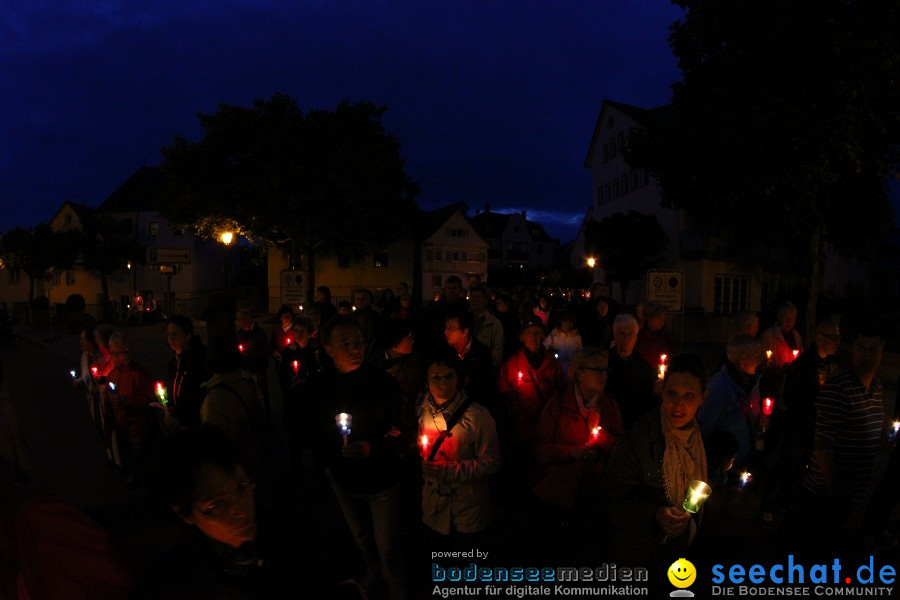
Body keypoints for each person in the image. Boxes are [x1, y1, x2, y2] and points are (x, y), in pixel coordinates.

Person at [310, 317, 411, 599]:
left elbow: (404, 427)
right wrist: (329, 468)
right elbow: (314, 431)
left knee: (388, 544)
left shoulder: (382, 382)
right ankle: (373, 569)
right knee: (362, 537)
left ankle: (396, 586)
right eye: (346, 344)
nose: (355, 349)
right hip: (343, 481)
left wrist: (373, 448)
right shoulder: (320, 386)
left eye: (358, 342)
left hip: (382, 481)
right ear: (329, 349)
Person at [144, 427, 309, 598]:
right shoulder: (178, 581)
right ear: (185, 513)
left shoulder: (301, 535)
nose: (241, 508)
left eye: (241, 487)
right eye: (218, 504)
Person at [599, 354, 708, 567]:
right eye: (672, 394)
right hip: (639, 557)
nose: (678, 405)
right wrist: (654, 515)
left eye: (689, 396)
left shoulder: (696, 437)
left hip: (678, 555)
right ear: (662, 391)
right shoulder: (640, 438)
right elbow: (608, 500)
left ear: (703, 397)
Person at [792, 324, 885, 554]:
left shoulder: (877, 386)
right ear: (852, 349)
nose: (866, 356)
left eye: (873, 350)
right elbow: (822, 446)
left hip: (851, 492)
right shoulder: (839, 387)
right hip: (826, 494)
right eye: (861, 348)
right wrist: (836, 490)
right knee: (813, 553)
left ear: (882, 351)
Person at [760, 319, 841, 524]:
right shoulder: (803, 364)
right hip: (798, 427)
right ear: (819, 336)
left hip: (817, 428)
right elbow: (791, 397)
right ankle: (767, 504)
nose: (837, 341)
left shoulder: (832, 364)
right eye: (832, 336)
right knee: (787, 465)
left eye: (838, 336)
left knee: (802, 469)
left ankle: (786, 503)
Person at [418, 350, 500, 540]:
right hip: (434, 506)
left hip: (467, 508)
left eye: (450, 376)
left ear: (459, 379)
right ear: (427, 380)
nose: (443, 384)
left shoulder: (477, 416)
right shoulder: (422, 409)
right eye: (436, 377)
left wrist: (446, 471)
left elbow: (491, 462)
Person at [531, 348, 623, 513]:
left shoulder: (609, 407)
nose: (604, 375)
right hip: (556, 491)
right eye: (597, 370)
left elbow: (621, 450)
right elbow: (540, 449)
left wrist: (600, 435)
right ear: (579, 374)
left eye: (605, 370)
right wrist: (571, 452)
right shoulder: (559, 404)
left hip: (590, 494)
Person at [696, 333, 766, 471]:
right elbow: (704, 428)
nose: (759, 362)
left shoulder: (754, 383)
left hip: (744, 460)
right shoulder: (719, 386)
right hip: (725, 465)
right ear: (743, 359)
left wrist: (759, 422)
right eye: (756, 357)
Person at [201, 335, 265, 480]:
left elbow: (213, 442)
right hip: (253, 457)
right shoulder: (246, 384)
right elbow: (260, 418)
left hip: (234, 467)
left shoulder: (214, 399)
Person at [106, 332, 158, 488]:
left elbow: (152, 401)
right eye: (112, 354)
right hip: (122, 426)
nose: (115, 358)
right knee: (128, 455)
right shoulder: (113, 375)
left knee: (141, 459)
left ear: (128, 352)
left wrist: (129, 401)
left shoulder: (139, 374)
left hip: (138, 428)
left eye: (118, 353)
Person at [606, 314, 657, 431]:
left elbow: (647, 399)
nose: (626, 339)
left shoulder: (644, 367)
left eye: (630, 334)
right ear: (615, 336)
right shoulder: (605, 363)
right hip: (610, 422)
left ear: (636, 337)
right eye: (622, 334)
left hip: (636, 423)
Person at [165, 316, 209, 430]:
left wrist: (180, 410)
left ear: (187, 336)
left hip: (194, 423)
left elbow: (198, 394)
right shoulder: (174, 361)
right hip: (178, 421)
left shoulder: (198, 360)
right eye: (168, 334)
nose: (170, 339)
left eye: (175, 334)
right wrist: (169, 406)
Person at [235, 309, 270, 416]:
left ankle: (264, 415)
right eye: (239, 321)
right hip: (245, 368)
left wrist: (250, 355)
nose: (240, 323)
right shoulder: (240, 333)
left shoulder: (259, 333)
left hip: (257, 368)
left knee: (260, 393)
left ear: (247, 320)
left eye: (241, 320)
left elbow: (264, 351)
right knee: (247, 392)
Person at [468, 286, 505, 368]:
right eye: (473, 297)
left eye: (478, 297)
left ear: (485, 301)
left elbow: (497, 350)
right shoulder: (463, 320)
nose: (475, 300)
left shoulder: (494, 323)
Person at [761, 301, 803, 368]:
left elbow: (801, 358)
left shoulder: (796, 336)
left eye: (792, 318)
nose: (789, 321)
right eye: (786, 318)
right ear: (779, 317)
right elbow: (763, 360)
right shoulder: (769, 335)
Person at [633, 302, 676, 366]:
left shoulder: (666, 338)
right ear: (649, 319)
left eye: (663, 318)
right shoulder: (639, 338)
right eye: (659, 318)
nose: (662, 321)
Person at [543, 309, 582, 379]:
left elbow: (580, 356)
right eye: (565, 321)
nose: (568, 324)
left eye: (570, 321)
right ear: (560, 322)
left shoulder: (577, 338)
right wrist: (551, 352)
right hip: (555, 371)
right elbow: (544, 347)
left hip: (571, 373)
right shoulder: (553, 335)